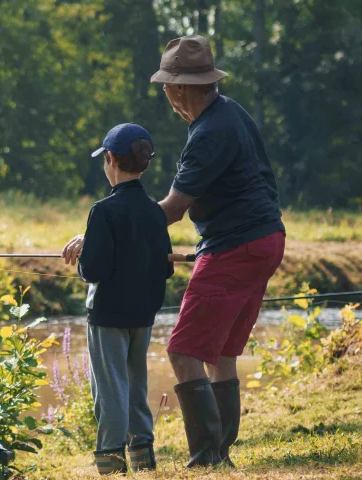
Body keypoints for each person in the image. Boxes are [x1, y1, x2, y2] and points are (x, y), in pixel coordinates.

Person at [148, 34, 286, 468]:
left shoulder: (208, 133)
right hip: (264, 239)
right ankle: (221, 450)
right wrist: (204, 248)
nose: (167, 94)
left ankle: (208, 458)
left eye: (168, 85)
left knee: (184, 350)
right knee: (222, 352)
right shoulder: (231, 113)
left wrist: (107, 228)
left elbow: (171, 209)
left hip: (237, 246)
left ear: (180, 88)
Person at [65, 123, 174, 475]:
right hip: (143, 315)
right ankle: (144, 459)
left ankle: (111, 463)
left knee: (110, 391)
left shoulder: (103, 210)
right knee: (135, 385)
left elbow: (93, 270)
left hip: (108, 316)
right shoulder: (156, 212)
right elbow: (165, 269)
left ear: (110, 159)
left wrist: (81, 261)